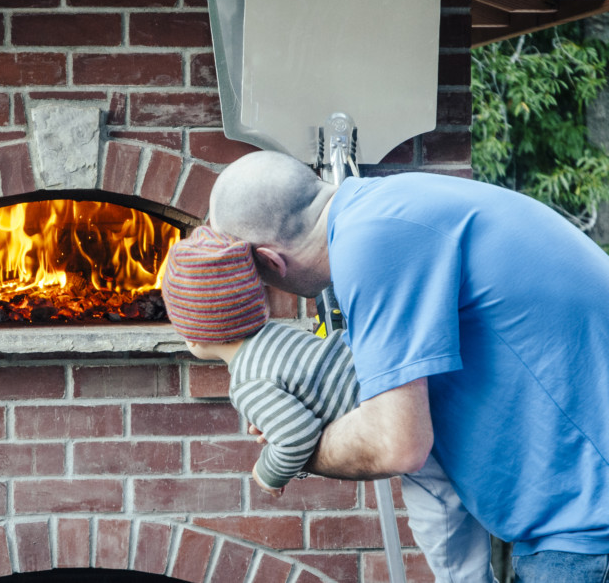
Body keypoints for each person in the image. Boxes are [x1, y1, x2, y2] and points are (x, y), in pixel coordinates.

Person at [206, 149, 609, 582]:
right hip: (576, 523)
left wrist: (294, 445)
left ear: (271, 261)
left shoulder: (372, 241)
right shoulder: (389, 208)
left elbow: (397, 443)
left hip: (585, 534)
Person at [161, 225, 495, 582]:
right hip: (414, 390)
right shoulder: (279, 335)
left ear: (192, 334)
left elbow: (297, 435)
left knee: (446, 542)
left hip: (405, 429)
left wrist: (268, 473)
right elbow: (312, 394)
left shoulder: (247, 382)